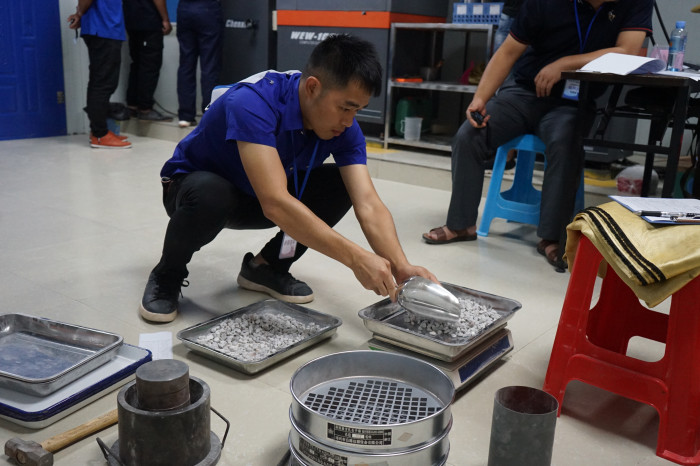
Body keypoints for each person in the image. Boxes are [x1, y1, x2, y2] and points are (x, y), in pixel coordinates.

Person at [139, 34, 437, 323]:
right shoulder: (254, 102)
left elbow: (368, 203)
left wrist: (401, 266)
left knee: (338, 185)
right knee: (212, 193)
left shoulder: (344, 128)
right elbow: (275, 203)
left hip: (260, 196)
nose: (349, 121)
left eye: (357, 110)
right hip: (193, 192)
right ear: (312, 87)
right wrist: (356, 258)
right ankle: (167, 274)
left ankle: (266, 267)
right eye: (345, 107)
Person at [423, 0, 653, 270]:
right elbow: (508, 51)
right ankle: (461, 225)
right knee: (470, 134)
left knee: (566, 143)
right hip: (524, 92)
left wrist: (565, 65)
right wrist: (480, 99)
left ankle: (552, 238)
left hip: (574, 101)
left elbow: (628, 51)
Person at [68, 0, 131, 149]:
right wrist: (80, 14)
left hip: (108, 30)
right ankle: (100, 135)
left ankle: (99, 132)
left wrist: (80, 14)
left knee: (106, 82)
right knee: (102, 83)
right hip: (103, 30)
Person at [175, 0, 223, 128]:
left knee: (186, 64)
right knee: (209, 65)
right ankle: (209, 114)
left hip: (184, 8)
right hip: (208, 9)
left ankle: (185, 116)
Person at [123, 0, 173, 121]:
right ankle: (145, 108)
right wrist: (165, 19)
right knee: (150, 66)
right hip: (148, 20)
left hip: (131, 20)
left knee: (136, 64)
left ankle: (132, 105)